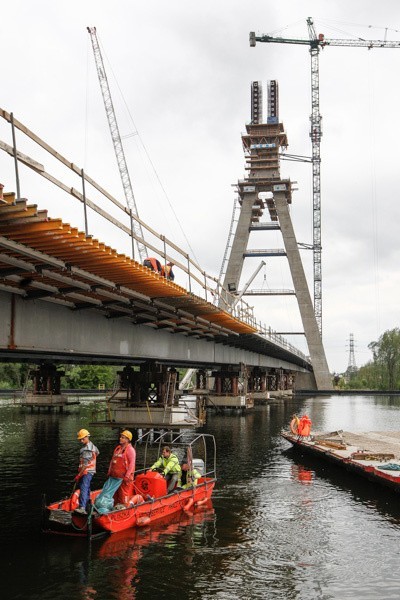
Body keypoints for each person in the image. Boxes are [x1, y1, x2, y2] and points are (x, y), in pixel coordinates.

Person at [108, 430, 136, 505]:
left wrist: (127, 476)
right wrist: (109, 471)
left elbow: (132, 464)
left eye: (123, 438)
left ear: (128, 440)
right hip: (115, 477)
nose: (120, 438)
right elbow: (112, 461)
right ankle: (114, 507)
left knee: (123, 494)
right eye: (121, 437)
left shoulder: (130, 450)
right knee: (115, 494)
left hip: (124, 478)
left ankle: (124, 508)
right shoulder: (118, 449)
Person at [75, 429, 99, 514]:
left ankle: (82, 507)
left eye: (83, 439)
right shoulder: (93, 446)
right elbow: (97, 453)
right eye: (80, 439)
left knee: (83, 488)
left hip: (86, 471)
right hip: (90, 471)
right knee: (87, 488)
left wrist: (79, 474)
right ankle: (89, 506)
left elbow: (85, 465)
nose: (81, 441)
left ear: (87, 437)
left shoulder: (87, 450)